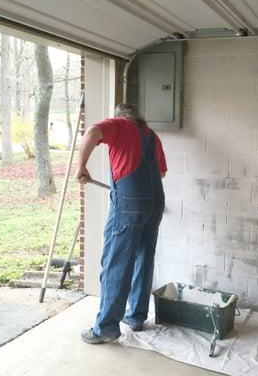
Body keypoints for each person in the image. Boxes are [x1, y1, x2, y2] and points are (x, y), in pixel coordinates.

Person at [75, 103, 167, 344]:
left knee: (117, 261)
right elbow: (161, 172)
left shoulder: (119, 125)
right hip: (155, 201)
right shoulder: (151, 136)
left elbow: (93, 131)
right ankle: (136, 317)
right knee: (144, 257)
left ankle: (105, 327)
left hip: (130, 203)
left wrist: (81, 166)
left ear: (121, 116)